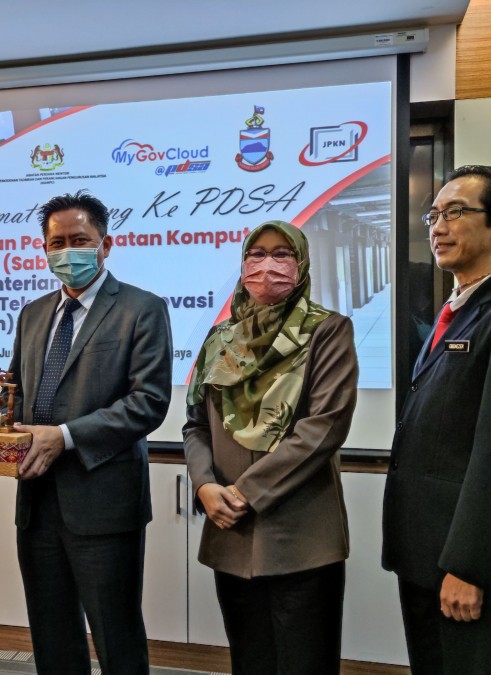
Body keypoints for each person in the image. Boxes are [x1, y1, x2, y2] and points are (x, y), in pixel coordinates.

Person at [381, 166, 491, 674]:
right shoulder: (456, 308)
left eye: (455, 213)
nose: (438, 227)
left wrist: (469, 566)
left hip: (467, 563)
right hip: (424, 551)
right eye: (433, 215)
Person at [183, 220, 359, 675]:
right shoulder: (220, 339)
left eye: (281, 254)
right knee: (250, 661)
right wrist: (203, 486)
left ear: (301, 264)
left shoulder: (328, 330)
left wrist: (245, 493)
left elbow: (325, 426)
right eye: (256, 254)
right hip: (230, 534)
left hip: (301, 536)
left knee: (306, 664)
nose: (267, 265)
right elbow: (196, 425)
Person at [8, 190, 172, 674]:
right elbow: (15, 392)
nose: (67, 252)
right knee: (52, 637)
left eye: (79, 240)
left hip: (104, 501)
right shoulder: (32, 314)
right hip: (37, 501)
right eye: (56, 243)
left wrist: (64, 435)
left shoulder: (142, 308)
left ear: (106, 244)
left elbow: (149, 402)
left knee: (116, 638)